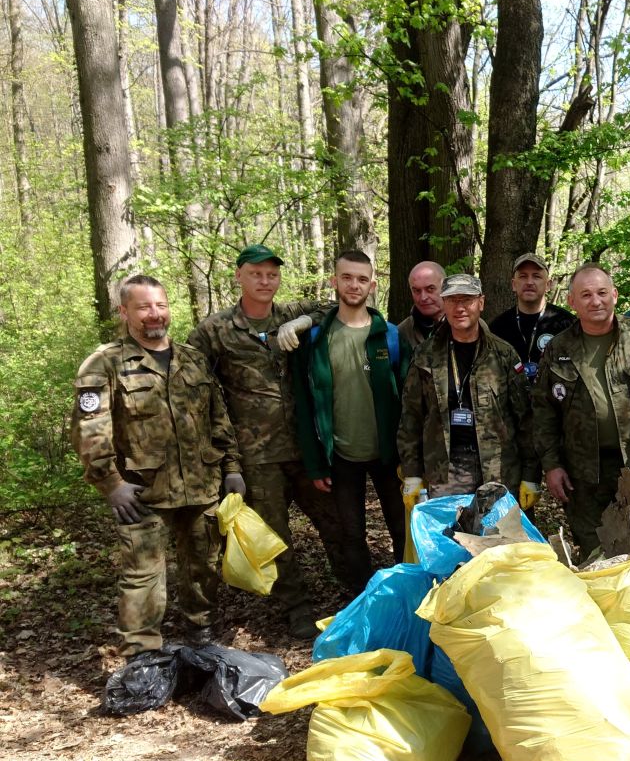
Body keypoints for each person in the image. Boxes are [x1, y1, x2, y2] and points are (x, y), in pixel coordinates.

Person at [72, 275, 242, 656]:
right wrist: (111, 484)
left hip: (201, 486)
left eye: (160, 305)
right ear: (124, 311)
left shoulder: (192, 359)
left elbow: (218, 419)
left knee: (203, 566)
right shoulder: (105, 363)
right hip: (142, 491)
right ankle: (142, 654)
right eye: (144, 307)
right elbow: (89, 431)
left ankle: (199, 632)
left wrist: (232, 468)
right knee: (143, 578)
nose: (154, 314)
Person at [188, 244, 348, 639]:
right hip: (256, 455)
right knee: (275, 536)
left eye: (272, 274)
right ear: (239, 276)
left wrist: (304, 322)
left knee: (336, 521)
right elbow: (191, 382)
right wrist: (221, 456)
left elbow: (337, 306)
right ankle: (297, 608)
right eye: (256, 274)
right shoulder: (215, 330)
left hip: (306, 448)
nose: (265, 281)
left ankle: (355, 589)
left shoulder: (289, 313)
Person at [531, 263, 630, 559]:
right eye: (586, 295)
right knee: (598, 554)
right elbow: (543, 413)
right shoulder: (558, 348)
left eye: (602, 293)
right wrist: (551, 465)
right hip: (585, 474)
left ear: (614, 295)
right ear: (572, 301)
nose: (596, 301)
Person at [293, 250, 405, 591]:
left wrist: (411, 458)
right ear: (334, 281)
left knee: (401, 528)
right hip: (340, 456)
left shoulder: (390, 335)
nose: (354, 285)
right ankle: (362, 598)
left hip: (388, 454)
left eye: (361, 279)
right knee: (352, 534)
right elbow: (304, 403)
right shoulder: (316, 339)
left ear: (372, 285)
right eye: (346, 277)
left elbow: (410, 401)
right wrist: (315, 463)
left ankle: (407, 594)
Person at [398, 273, 538, 503]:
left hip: (498, 469)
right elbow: (411, 418)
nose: (459, 307)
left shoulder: (503, 354)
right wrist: (412, 474)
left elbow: (525, 419)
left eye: (467, 300)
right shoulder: (425, 356)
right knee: (451, 527)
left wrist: (531, 476)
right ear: (444, 304)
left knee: (499, 527)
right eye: (452, 300)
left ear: (481, 303)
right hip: (446, 471)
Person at [489, 252, 576, 382]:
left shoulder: (567, 324)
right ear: (513, 284)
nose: (529, 282)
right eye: (523, 276)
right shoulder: (497, 327)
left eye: (536, 276)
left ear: (548, 285)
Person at [397, 261, 445, 355]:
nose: (423, 298)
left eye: (430, 289)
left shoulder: (463, 325)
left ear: (444, 288)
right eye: (417, 291)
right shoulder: (402, 333)